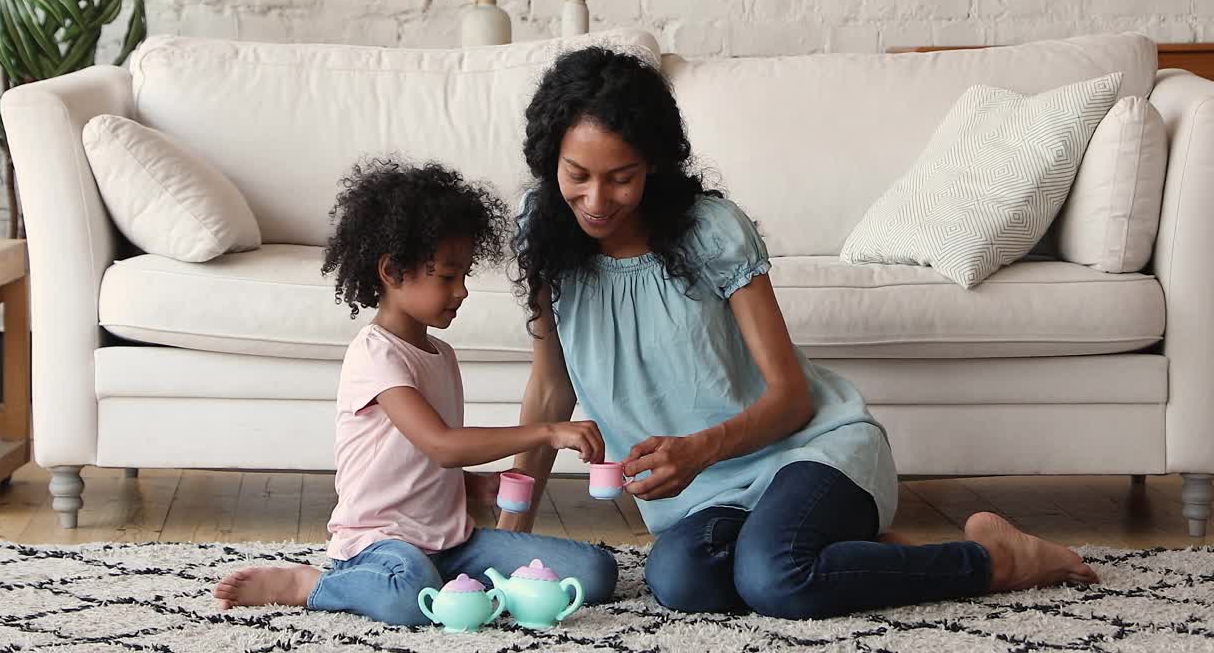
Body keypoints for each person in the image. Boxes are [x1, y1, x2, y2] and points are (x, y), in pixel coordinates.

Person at [500, 48, 1099, 620]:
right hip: (706, 497)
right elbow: (550, 393)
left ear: (653, 163)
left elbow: (792, 397)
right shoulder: (545, 230)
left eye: (621, 177)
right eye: (576, 174)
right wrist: (509, 546)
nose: (596, 200)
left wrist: (700, 448)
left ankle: (997, 560)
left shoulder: (709, 231)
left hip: (810, 451)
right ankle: (869, 557)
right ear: (550, 158)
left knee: (774, 579)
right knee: (681, 581)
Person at [212, 160, 617, 624]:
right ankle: (312, 584)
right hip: (381, 545)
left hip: (453, 544)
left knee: (594, 572)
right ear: (392, 271)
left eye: (464, 275)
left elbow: (421, 467)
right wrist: (546, 431)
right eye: (447, 276)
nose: (462, 291)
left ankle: (458, 591)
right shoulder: (375, 355)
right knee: (410, 594)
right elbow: (441, 445)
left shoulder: (441, 355)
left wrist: (476, 486)